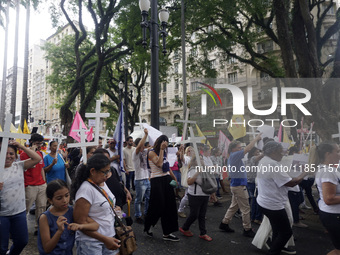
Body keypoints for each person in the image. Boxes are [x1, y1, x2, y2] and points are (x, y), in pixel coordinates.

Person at [257, 141, 307, 255]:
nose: (283, 154)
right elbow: (291, 183)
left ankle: (275, 248)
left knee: (277, 229)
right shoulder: (272, 164)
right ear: (273, 152)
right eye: (281, 152)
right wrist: (305, 173)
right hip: (273, 205)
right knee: (286, 232)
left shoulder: (264, 160)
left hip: (265, 202)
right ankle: (274, 251)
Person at [72, 153, 121, 254]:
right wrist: (104, 239)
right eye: (105, 172)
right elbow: (80, 222)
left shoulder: (101, 182)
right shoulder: (86, 190)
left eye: (109, 171)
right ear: (93, 171)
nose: (107, 175)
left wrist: (113, 209)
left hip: (109, 237)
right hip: (91, 243)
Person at [0, 141, 41, 255]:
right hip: (2, 215)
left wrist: (21, 146)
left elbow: (37, 158)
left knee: (22, 241)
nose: (8, 156)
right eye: (6, 153)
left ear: (16, 155)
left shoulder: (19, 166)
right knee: (2, 247)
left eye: (11, 153)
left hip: (19, 212)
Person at [38, 179, 99, 255]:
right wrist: (59, 231)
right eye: (59, 198)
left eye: (67, 195)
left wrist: (79, 226)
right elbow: (47, 248)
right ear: (50, 200)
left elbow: (95, 225)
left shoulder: (72, 211)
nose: (65, 200)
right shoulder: (45, 218)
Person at [219, 134, 262, 237]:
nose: (241, 149)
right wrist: (255, 138)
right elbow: (248, 148)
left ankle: (224, 223)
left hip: (237, 185)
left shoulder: (233, 156)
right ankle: (247, 229)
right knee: (246, 209)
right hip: (239, 186)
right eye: (239, 147)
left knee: (234, 207)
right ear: (233, 149)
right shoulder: (235, 155)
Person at [144, 135, 179, 241]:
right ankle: (149, 225)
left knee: (170, 206)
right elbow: (159, 164)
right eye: (164, 142)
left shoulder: (164, 152)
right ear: (159, 142)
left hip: (166, 179)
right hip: (156, 180)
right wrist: (162, 150)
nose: (165, 144)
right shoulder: (151, 152)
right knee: (157, 205)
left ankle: (167, 233)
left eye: (167, 142)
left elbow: (167, 166)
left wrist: (174, 178)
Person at [311, 142, 340, 255]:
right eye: (337, 151)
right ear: (328, 154)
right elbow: (329, 199)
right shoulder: (328, 171)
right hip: (334, 216)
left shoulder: (329, 169)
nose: (339, 154)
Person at [179, 153, 212, 241]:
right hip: (194, 195)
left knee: (202, 215)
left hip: (205, 194)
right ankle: (185, 227)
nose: (201, 160)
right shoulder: (192, 170)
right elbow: (189, 182)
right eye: (199, 159)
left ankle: (203, 233)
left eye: (202, 159)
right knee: (194, 214)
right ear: (194, 161)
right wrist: (198, 172)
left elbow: (210, 181)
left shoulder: (205, 169)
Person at [21, 133, 47, 236]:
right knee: (26, 208)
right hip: (30, 185)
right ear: (32, 143)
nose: (39, 145)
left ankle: (39, 228)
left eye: (41, 143)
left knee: (41, 207)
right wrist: (31, 151)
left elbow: (42, 169)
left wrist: (44, 182)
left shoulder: (40, 154)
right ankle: (19, 228)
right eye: (37, 143)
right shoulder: (24, 154)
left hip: (41, 184)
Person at [132, 129, 151, 224]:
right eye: (142, 145)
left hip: (147, 179)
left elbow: (153, 147)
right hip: (140, 180)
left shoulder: (145, 152)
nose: (144, 147)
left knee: (149, 198)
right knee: (139, 199)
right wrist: (146, 134)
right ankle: (138, 215)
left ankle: (146, 213)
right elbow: (139, 146)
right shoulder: (135, 153)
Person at [246, 147, 264, 224]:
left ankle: (253, 217)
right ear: (253, 153)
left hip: (251, 182)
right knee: (258, 201)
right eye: (257, 152)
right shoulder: (253, 158)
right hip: (254, 182)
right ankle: (257, 218)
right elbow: (261, 156)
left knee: (254, 201)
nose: (258, 154)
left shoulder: (249, 159)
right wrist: (267, 151)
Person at [178, 145, 194, 218]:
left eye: (191, 150)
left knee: (192, 196)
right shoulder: (187, 158)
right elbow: (182, 158)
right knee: (187, 196)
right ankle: (180, 210)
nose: (190, 152)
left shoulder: (194, 158)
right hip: (189, 179)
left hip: (194, 179)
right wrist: (181, 151)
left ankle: (194, 212)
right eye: (188, 151)